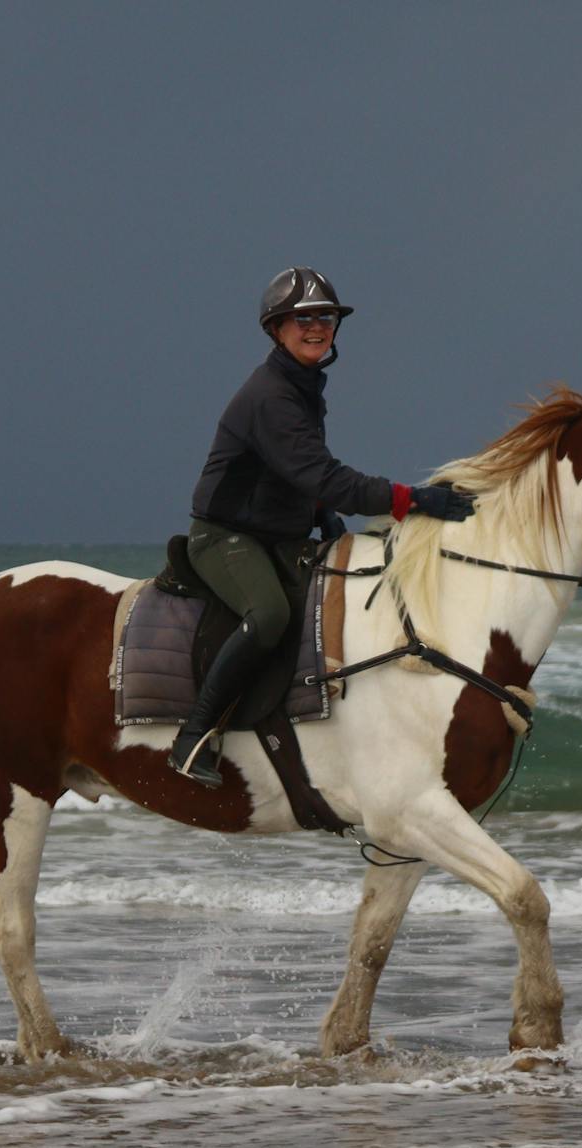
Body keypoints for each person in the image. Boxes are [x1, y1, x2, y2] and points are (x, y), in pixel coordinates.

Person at [168, 266, 475, 786]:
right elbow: (324, 474)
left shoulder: (303, 385)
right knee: (269, 615)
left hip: (279, 533)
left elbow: (294, 475)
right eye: (303, 318)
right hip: (225, 537)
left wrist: (318, 514)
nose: (317, 327)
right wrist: (411, 499)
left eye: (326, 317)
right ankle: (194, 737)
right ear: (276, 328)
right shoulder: (272, 395)